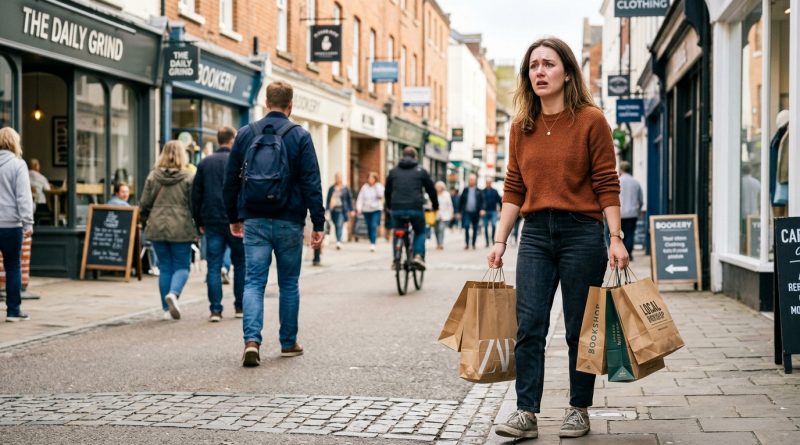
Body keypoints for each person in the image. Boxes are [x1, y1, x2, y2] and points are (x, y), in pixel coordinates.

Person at [487, 37, 627, 440]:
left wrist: (614, 236)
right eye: (533, 66)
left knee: (579, 329)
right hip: (534, 236)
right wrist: (499, 242)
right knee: (529, 326)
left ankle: (578, 409)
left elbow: (606, 182)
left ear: (567, 72)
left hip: (581, 233)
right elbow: (514, 186)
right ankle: (526, 413)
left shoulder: (591, 120)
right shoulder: (521, 126)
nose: (539, 72)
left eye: (548, 64)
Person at [223, 80, 325, 367]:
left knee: (254, 282)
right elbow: (311, 182)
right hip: (290, 220)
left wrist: (233, 217)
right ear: (290, 106)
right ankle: (288, 342)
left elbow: (230, 180)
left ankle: (252, 341)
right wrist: (318, 222)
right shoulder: (300, 136)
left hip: (253, 218)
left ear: (266, 103)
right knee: (289, 283)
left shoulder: (245, 134)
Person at [192, 126, 246, 322]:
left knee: (213, 266)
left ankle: (215, 310)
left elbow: (196, 195)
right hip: (236, 221)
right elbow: (244, 191)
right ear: (232, 140)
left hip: (212, 220)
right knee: (240, 264)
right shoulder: (239, 161)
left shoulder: (205, 163)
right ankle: (239, 306)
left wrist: (199, 220)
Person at [140, 140, 195, 321]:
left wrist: (143, 220)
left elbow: (145, 203)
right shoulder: (188, 177)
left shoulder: (153, 176)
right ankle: (174, 293)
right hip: (181, 226)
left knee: (164, 267)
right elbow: (193, 204)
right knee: (182, 266)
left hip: (157, 225)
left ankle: (166, 310)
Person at [385, 146, 438, 270]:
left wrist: (389, 206)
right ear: (415, 157)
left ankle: (396, 260)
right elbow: (431, 190)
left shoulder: (393, 171)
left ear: (402, 157)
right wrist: (435, 205)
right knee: (419, 231)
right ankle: (418, 256)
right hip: (415, 207)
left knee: (397, 231)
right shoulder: (421, 171)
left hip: (396, 208)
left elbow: (387, 191)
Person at [0, 128, 34, 322]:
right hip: (11, 225)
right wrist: (27, 222)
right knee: (12, 266)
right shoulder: (17, 165)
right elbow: (23, 197)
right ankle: (13, 311)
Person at [618, 161, 643, 260]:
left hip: (619, 214)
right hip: (632, 213)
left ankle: (621, 255)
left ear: (620, 169)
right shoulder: (636, 182)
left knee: (619, 235)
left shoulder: (617, 181)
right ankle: (629, 254)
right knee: (630, 234)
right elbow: (640, 199)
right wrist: (638, 209)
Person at [355, 171, 384, 252]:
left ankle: (373, 244)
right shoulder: (364, 187)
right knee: (368, 226)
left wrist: (376, 187)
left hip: (376, 209)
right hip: (366, 210)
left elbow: (381, 196)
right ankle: (371, 241)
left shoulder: (379, 186)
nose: (370, 180)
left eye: (372, 178)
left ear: (375, 179)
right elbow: (360, 198)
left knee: (373, 225)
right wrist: (359, 208)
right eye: (369, 178)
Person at [326, 173, 354, 250]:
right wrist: (327, 209)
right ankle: (338, 240)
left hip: (342, 210)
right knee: (336, 225)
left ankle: (338, 241)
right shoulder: (331, 188)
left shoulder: (345, 188)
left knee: (339, 225)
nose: (337, 179)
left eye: (339, 177)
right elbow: (328, 199)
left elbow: (349, 199)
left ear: (341, 178)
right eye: (336, 177)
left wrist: (351, 210)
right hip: (333, 210)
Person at [458, 174, 484, 250]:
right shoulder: (465, 190)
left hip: (476, 212)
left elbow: (482, 201)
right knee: (466, 226)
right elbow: (461, 201)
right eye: (470, 179)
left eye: (472, 180)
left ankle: (473, 243)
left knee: (475, 228)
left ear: (475, 181)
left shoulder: (479, 190)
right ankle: (466, 243)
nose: (471, 181)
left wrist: (482, 209)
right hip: (467, 212)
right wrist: (459, 212)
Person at [482, 177, 502, 247]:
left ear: (491, 183)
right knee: (486, 226)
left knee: (494, 225)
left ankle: (493, 239)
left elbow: (499, 201)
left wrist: (501, 209)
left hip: (493, 211)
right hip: (485, 211)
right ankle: (487, 241)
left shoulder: (495, 191)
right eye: (487, 182)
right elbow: (480, 202)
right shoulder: (482, 191)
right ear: (485, 183)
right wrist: (481, 209)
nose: (488, 184)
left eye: (489, 182)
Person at [434, 181, 453, 250]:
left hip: (444, 215)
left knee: (441, 229)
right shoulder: (434, 194)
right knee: (436, 230)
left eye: (440, 187)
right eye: (437, 187)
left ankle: (441, 243)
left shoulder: (446, 194)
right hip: (435, 215)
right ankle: (438, 243)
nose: (438, 188)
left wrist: (451, 213)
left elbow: (449, 205)